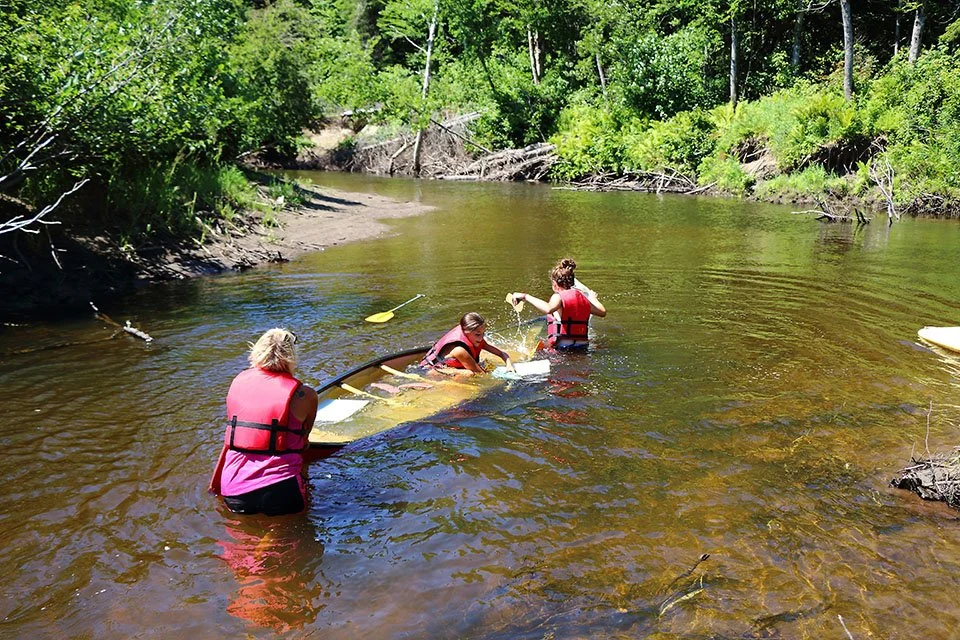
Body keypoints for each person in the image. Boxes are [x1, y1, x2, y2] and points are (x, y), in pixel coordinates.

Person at [209, 328, 318, 516]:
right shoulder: (305, 395)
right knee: (295, 535)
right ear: (291, 356)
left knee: (243, 537)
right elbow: (304, 439)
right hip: (282, 490)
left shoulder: (238, 383)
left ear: (257, 352)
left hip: (234, 489)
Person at [510, 257, 606, 349]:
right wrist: (593, 298)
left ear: (555, 284)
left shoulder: (558, 297)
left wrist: (525, 296)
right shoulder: (583, 298)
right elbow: (602, 312)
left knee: (539, 348)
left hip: (563, 347)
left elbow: (548, 309)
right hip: (583, 347)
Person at [421, 312, 515, 375]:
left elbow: (502, 353)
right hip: (429, 372)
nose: (481, 338)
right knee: (469, 374)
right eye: (478, 334)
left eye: (483, 333)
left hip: (443, 367)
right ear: (466, 332)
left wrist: (509, 365)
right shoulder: (459, 350)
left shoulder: (476, 338)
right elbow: (480, 374)